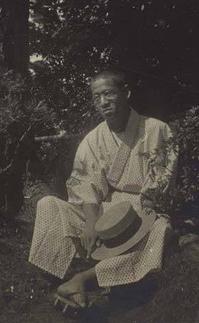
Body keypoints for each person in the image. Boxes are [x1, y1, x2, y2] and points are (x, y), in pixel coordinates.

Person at [29, 69, 177, 308]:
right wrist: (92, 224)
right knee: (48, 204)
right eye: (96, 97)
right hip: (107, 209)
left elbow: (163, 177)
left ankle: (84, 279)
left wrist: (145, 207)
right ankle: (55, 273)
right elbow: (86, 184)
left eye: (108, 93)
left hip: (144, 209)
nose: (102, 102)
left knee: (161, 231)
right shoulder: (93, 139)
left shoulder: (157, 129)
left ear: (126, 93)